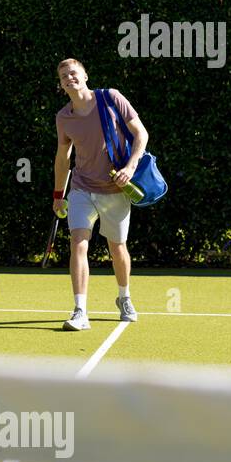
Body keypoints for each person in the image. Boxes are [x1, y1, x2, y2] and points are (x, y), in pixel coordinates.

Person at [52, 57, 149, 330]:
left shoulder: (111, 98)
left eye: (73, 73)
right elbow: (63, 158)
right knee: (78, 242)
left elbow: (141, 134)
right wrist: (58, 194)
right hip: (81, 187)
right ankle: (80, 311)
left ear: (84, 76)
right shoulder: (63, 117)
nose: (69, 78)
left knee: (117, 248)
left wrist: (130, 168)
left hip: (116, 188)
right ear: (61, 85)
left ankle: (124, 297)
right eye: (63, 77)